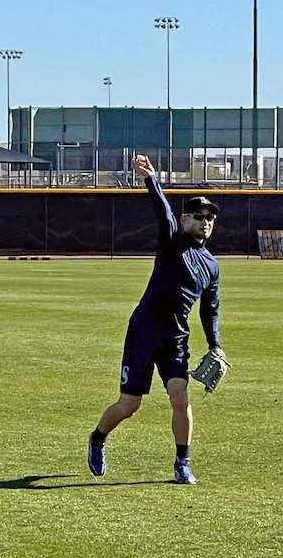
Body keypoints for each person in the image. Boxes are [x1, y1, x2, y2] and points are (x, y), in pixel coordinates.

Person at [88, 153, 224, 485]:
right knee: (129, 405)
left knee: (180, 398)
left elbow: (210, 310)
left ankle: (182, 463)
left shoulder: (211, 265)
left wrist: (216, 345)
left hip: (175, 337)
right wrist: (151, 180)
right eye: (198, 215)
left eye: (210, 217)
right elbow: (163, 215)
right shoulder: (172, 241)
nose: (205, 221)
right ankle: (98, 437)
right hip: (144, 332)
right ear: (185, 219)